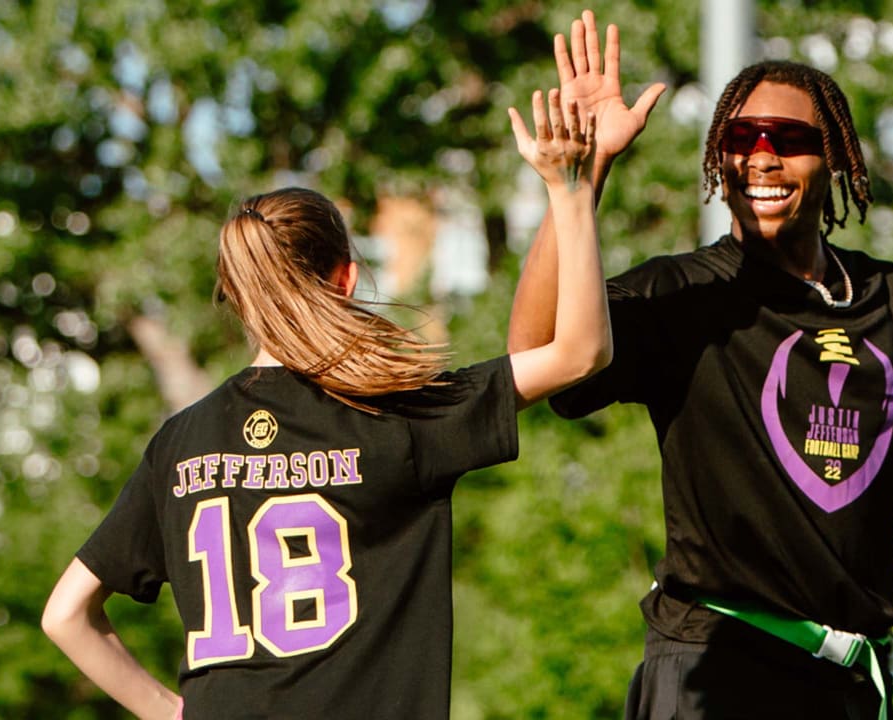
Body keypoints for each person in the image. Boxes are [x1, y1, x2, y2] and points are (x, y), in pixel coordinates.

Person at [508, 10, 893, 720]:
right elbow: (534, 354)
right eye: (741, 138)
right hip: (715, 666)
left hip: (851, 683)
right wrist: (578, 183)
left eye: (790, 140)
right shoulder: (685, 293)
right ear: (717, 159)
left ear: (836, 158)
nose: (761, 156)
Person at [41, 87, 608, 720]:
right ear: (345, 279)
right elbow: (581, 352)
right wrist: (571, 189)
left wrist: (171, 712)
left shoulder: (179, 442)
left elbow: (65, 615)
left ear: (234, 293)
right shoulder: (397, 413)